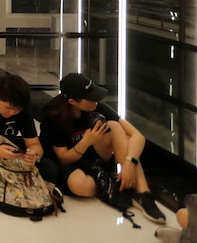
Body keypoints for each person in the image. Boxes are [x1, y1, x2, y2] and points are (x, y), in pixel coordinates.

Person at [39, 72, 166, 224]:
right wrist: (85, 142)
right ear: (72, 101)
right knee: (81, 186)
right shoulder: (54, 116)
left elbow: (137, 136)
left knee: (115, 127)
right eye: (90, 97)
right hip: (68, 162)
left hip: (94, 156)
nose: (96, 100)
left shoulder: (98, 107)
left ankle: (143, 194)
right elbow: (64, 158)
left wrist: (129, 164)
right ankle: (116, 186)